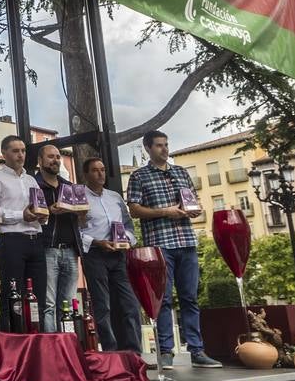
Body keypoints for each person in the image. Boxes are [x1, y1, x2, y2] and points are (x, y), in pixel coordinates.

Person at [126, 130, 221, 368]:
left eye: (166, 145)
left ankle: (197, 350)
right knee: (164, 299)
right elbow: (135, 210)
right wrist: (165, 211)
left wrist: (195, 209)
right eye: (159, 145)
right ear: (148, 148)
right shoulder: (139, 176)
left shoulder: (181, 172)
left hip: (187, 241)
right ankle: (166, 351)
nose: (165, 149)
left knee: (190, 297)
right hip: (160, 244)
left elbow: (193, 200)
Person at [78, 158, 141, 352]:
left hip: (118, 255)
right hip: (95, 254)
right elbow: (75, 231)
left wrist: (126, 241)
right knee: (102, 305)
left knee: (129, 303)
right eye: (95, 171)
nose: (100, 174)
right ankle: (110, 351)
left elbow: (128, 225)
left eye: (103, 170)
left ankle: (134, 352)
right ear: (86, 174)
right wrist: (96, 242)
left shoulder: (115, 197)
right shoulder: (80, 197)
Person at [0, 135, 46, 332]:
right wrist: (21, 215)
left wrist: (43, 214)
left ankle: (37, 339)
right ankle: (12, 342)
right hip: (12, 240)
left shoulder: (31, 180)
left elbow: (40, 205)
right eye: (15, 151)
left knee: (38, 295)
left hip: (36, 240)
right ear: (4, 153)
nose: (21, 155)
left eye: (23, 150)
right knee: (12, 296)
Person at [34, 144, 80, 332]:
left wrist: (81, 211)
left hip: (70, 250)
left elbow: (82, 217)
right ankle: (51, 348)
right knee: (48, 303)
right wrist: (48, 211)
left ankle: (68, 345)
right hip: (47, 249)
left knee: (67, 303)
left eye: (58, 157)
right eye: (50, 157)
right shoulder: (33, 184)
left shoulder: (68, 187)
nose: (55, 160)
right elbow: (31, 214)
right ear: (40, 161)